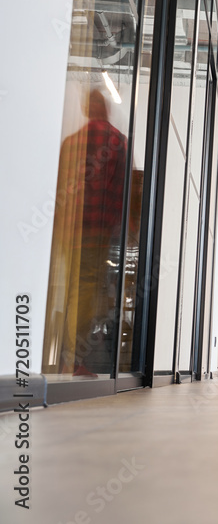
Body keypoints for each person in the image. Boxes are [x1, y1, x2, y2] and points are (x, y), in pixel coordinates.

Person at [43, 88, 128, 378]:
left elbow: (58, 187)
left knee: (72, 288)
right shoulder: (118, 141)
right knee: (88, 288)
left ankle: (68, 356)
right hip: (96, 230)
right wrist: (116, 225)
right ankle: (73, 359)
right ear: (105, 108)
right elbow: (120, 192)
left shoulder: (71, 142)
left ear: (85, 109)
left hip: (69, 228)